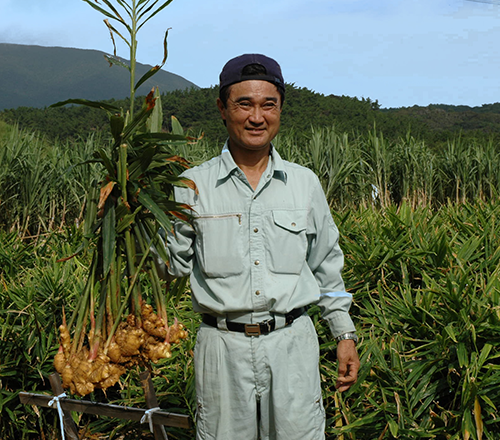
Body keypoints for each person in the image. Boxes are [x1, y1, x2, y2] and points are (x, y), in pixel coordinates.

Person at [166, 53, 360, 440]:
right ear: (223, 109)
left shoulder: (304, 184)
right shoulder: (191, 186)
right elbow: (169, 266)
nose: (257, 117)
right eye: (244, 104)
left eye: (268, 105)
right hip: (221, 348)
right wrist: (134, 214)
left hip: (291, 345)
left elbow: (326, 263)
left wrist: (344, 334)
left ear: (280, 109)